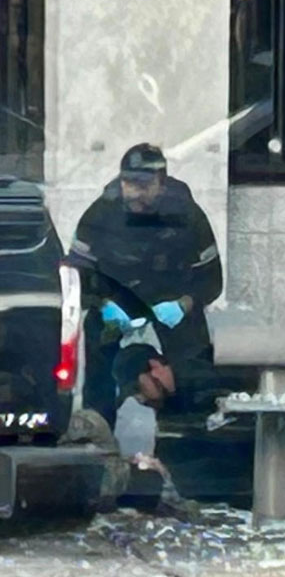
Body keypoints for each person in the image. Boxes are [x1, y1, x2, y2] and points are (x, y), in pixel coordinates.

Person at [69, 143, 222, 426]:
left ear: (161, 183)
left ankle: (189, 429)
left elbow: (212, 281)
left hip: (172, 298)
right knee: (100, 353)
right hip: (117, 297)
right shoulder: (100, 214)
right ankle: (97, 429)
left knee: (192, 367)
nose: (135, 192)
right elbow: (75, 275)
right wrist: (103, 304)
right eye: (129, 183)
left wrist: (182, 305)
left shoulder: (188, 216)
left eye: (144, 184)